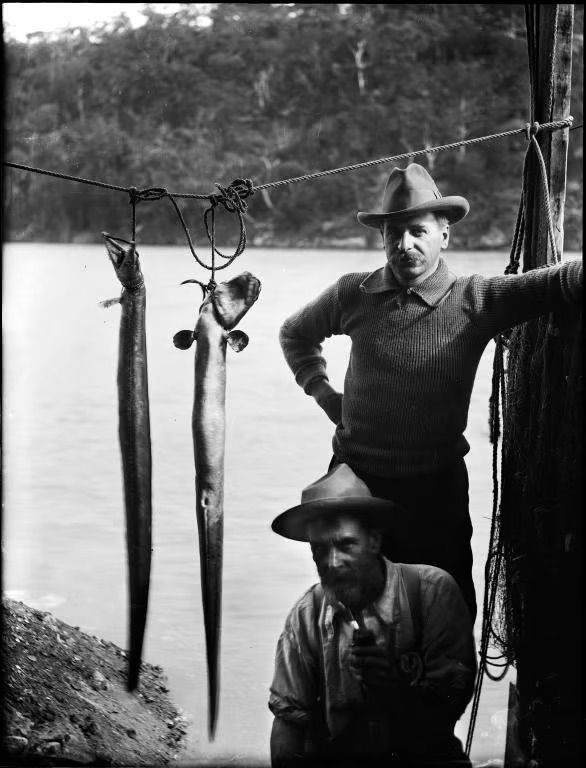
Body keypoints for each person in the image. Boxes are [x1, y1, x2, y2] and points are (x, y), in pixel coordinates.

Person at [278, 163, 583, 620]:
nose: (405, 245)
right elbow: (295, 334)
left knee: (447, 611)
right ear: (381, 239)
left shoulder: (473, 300)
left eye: (418, 231)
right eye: (393, 234)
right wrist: (323, 394)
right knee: (354, 610)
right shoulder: (352, 294)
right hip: (356, 480)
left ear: (445, 235)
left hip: (434, 485)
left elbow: (554, 283)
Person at [269, 462, 476, 767]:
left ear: (375, 541)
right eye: (320, 549)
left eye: (346, 544)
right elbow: (288, 722)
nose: (333, 562)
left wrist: (391, 685)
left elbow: (449, 708)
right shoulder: (306, 616)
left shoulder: (431, 592)